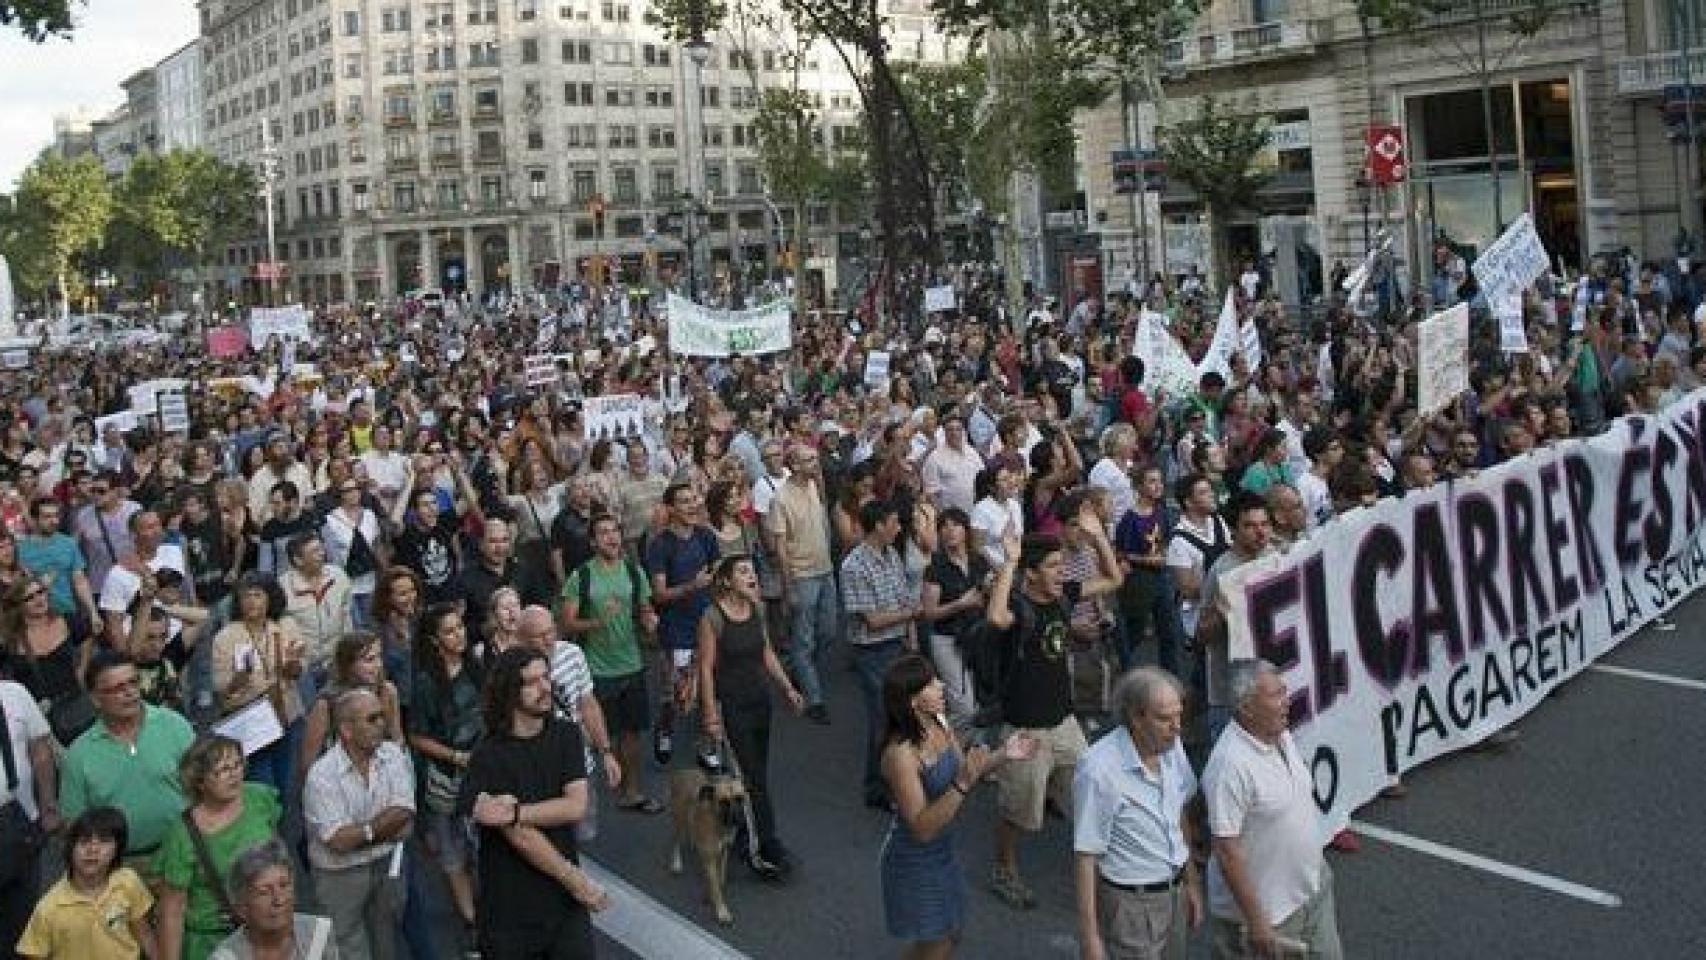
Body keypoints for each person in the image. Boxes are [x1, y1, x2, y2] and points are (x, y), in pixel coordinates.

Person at [983, 530, 1116, 910]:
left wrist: (1097, 539)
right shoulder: (1018, 607)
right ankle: (1004, 870)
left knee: (1090, 794)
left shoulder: (1064, 597)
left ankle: (1102, 865)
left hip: (1064, 723)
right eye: (1053, 566)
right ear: (1030, 574)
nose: (1062, 572)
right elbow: (995, 617)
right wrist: (1010, 561)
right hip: (1027, 729)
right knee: (1018, 812)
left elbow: (1113, 579)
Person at [878, 655, 1034, 959]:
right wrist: (961, 784)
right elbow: (922, 828)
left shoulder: (939, 722)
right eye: (930, 683)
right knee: (939, 942)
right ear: (913, 702)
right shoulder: (900, 755)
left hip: (943, 851)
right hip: (913, 859)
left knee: (950, 933)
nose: (940, 686)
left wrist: (1005, 754)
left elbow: (967, 770)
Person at [459, 646, 610, 958]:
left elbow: (575, 806)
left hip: (563, 909)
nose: (545, 688)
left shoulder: (566, 735)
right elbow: (521, 837)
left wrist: (514, 812)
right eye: (532, 682)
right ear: (509, 692)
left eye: (546, 678)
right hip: (510, 912)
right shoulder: (488, 755)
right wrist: (576, 881)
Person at [1204, 661, 1343, 960]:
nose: (1287, 701)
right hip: (1269, 915)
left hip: (1311, 889)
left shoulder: (1278, 733)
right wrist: (1257, 921)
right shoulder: (1229, 766)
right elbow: (1226, 851)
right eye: (1276, 695)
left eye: (1285, 691)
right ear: (1246, 708)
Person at [1073, 668, 1203, 960]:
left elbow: (1178, 813)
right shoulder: (1099, 769)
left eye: (1179, 715)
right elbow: (1085, 856)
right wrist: (1090, 939)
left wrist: (1191, 883)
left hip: (1174, 895)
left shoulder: (1171, 745)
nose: (1177, 727)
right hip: (1130, 907)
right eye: (1165, 718)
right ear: (1136, 717)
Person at [697, 555, 806, 880]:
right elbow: (705, 667)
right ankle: (763, 851)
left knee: (757, 773)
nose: (753, 577)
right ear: (727, 580)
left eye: (753, 571)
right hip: (732, 707)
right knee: (752, 778)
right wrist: (710, 713)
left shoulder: (756, 610)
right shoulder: (712, 617)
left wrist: (788, 688)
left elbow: (766, 653)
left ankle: (737, 824)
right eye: (744, 571)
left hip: (760, 702)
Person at [303, 689, 415, 960]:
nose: (382, 724)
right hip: (339, 876)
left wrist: (361, 832)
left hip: (386, 866)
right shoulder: (322, 776)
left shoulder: (393, 756)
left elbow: (405, 820)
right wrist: (381, 829)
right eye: (372, 719)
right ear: (346, 730)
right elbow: (337, 841)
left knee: (386, 946)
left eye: (382, 717)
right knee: (346, 949)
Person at [560, 514, 660, 814]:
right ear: (593, 541)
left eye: (615, 531)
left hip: (631, 662)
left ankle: (633, 790)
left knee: (632, 731)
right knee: (609, 732)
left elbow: (644, 607)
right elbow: (566, 623)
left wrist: (649, 619)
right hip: (598, 668)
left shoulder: (633, 570)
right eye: (603, 533)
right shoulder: (582, 577)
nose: (611, 537)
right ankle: (608, 778)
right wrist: (597, 621)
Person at [60, 652, 195, 872]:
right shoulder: (79, 755)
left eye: (133, 682)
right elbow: (74, 826)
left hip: (183, 854)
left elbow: (202, 788)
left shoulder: (174, 726)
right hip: (119, 870)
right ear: (95, 699)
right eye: (117, 688)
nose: (130, 692)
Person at [155, 735, 284, 960]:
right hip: (212, 944)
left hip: (266, 933)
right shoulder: (183, 833)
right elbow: (172, 911)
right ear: (200, 781)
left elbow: (278, 855)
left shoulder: (259, 798)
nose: (234, 774)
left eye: (237, 765)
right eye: (223, 769)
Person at [405, 602, 483, 940]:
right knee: (452, 851)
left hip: (483, 770)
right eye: (449, 631)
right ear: (435, 641)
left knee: (484, 846)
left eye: (460, 627)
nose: (459, 635)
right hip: (447, 778)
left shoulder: (475, 666)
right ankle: (471, 919)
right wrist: (453, 756)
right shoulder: (425, 682)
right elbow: (417, 736)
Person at [841, 498, 920, 811]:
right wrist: (909, 614)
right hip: (871, 650)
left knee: (897, 717)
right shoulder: (854, 566)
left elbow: (902, 599)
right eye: (895, 522)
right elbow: (871, 620)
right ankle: (880, 788)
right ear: (878, 525)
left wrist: (910, 638)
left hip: (896, 644)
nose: (899, 528)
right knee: (883, 720)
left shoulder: (891, 555)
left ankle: (892, 780)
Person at [15, 806, 157, 960]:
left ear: (117, 848)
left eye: (104, 841)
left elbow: (145, 935)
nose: (93, 849)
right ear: (70, 849)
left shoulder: (128, 881)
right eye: (84, 841)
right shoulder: (49, 908)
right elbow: (33, 954)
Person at [209, 574, 307, 796]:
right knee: (260, 785)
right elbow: (221, 690)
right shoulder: (226, 637)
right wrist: (238, 680)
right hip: (250, 720)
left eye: (257, 595)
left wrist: (292, 664)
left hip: (286, 715)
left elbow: (298, 673)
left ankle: (282, 827)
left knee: (286, 783)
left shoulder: (284, 627)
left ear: (270, 599)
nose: (251, 601)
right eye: (246, 596)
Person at [644, 483, 720, 764]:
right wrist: (693, 585)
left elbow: (718, 571)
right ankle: (664, 728)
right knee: (680, 694)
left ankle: (707, 744)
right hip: (677, 629)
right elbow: (660, 594)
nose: (692, 506)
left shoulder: (705, 536)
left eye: (694, 500)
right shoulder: (660, 545)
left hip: (708, 623)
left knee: (710, 686)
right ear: (672, 508)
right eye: (684, 502)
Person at [764, 444, 837, 725]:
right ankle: (813, 698)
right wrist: (788, 586)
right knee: (804, 637)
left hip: (825, 570)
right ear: (793, 465)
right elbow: (780, 547)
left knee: (829, 631)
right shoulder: (780, 498)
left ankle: (799, 666)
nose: (815, 463)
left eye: (815, 458)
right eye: (808, 460)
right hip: (802, 574)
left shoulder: (814, 486)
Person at [1, 675, 59, 955]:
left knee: (22, 923)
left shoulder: (13, 693)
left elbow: (40, 750)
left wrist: (48, 806)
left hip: (19, 823)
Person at [919, 508, 991, 733]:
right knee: (964, 707)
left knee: (981, 700)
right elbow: (929, 613)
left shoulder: (979, 561)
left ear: (966, 531)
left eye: (955, 525)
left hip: (978, 635)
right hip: (947, 638)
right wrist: (961, 603)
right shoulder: (935, 568)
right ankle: (948, 749)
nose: (950, 531)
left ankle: (971, 750)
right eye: (944, 527)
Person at [296, 634, 405, 783]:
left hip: (383, 775)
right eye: (369, 660)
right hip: (339, 781)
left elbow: (397, 738)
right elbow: (308, 760)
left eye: (379, 657)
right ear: (349, 665)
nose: (378, 665)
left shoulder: (387, 691)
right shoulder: (327, 703)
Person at [207, 839, 338, 960]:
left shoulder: (319, 934)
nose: (279, 900)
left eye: (284, 885)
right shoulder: (226, 957)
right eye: (264, 892)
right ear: (241, 908)